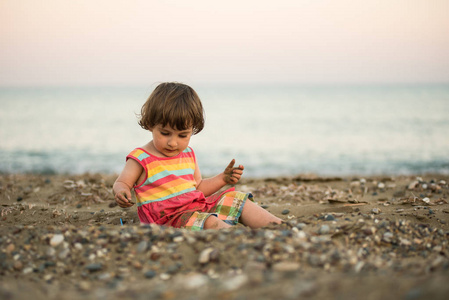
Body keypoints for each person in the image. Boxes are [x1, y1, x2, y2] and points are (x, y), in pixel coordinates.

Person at [113, 82, 282, 230]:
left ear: (192, 130)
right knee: (208, 222)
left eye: (182, 135)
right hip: (166, 220)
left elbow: (198, 188)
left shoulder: (188, 154)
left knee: (236, 199)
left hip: (195, 208)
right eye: (165, 133)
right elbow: (122, 182)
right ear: (150, 124)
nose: (173, 142)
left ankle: (278, 227)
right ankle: (238, 239)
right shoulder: (142, 158)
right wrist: (122, 191)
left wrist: (223, 178)